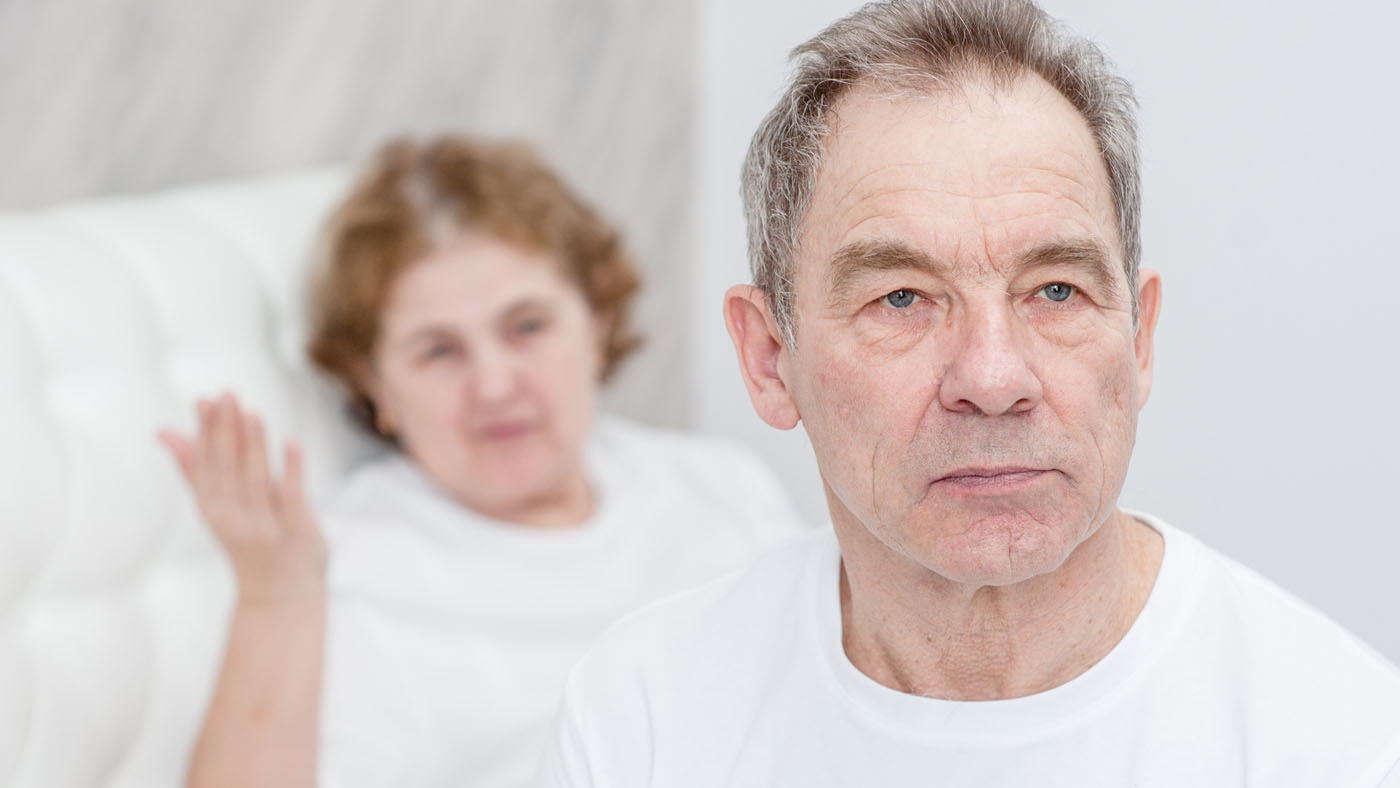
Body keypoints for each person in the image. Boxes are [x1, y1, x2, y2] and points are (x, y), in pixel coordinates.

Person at [535, 1, 1400, 785]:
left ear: (1137, 340)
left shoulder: (1336, 744)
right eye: (901, 298)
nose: (992, 380)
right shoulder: (643, 720)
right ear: (769, 358)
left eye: (1056, 290)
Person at [158, 136, 807, 788]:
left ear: (598, 320)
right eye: (439, 352)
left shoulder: (719, 485)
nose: (494, 385)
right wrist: (276, 599)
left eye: (527, 327)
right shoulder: (351, 570)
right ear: (374, 383)